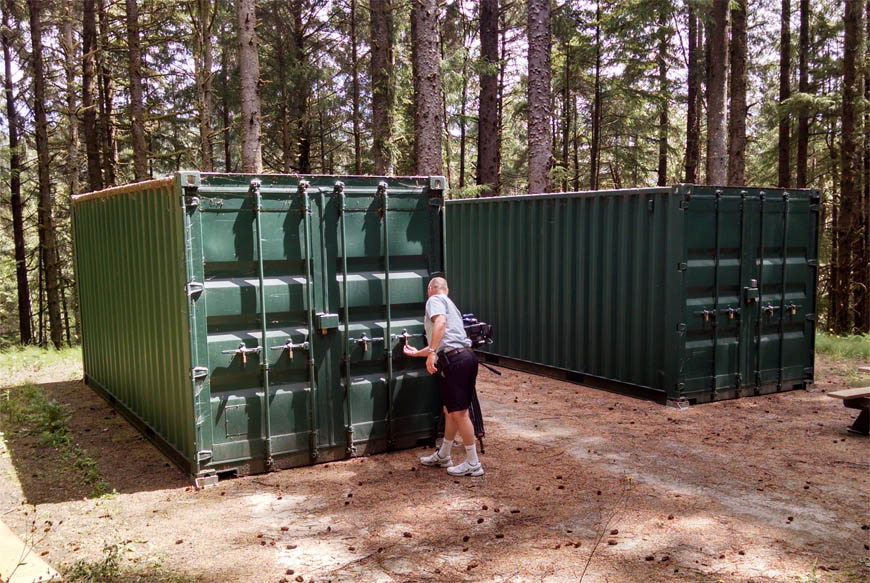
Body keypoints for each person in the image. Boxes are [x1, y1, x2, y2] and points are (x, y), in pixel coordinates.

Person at [403, 277, 483, 477]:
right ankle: (444, 455)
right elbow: (445, 342)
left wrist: (431, 352)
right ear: (447, 290)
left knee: (460, 413)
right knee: (450, 410)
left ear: (431, 289)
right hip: (464, 357)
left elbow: (440, 323)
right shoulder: (451, 305)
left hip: (455, 361)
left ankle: (473, 463)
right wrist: (418, 353)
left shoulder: (434, 300)